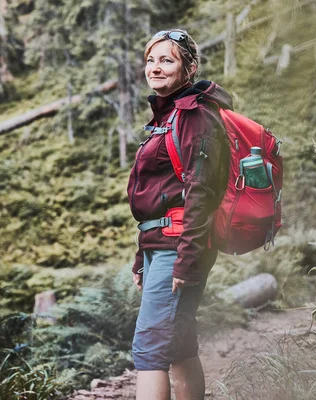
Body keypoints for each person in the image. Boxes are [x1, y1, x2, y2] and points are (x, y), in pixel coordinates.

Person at [127, 29, 233, 400]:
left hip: (180, 245)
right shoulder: (169, 114)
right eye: (151, 60)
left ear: (188, 68)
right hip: (165, 243)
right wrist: (144, 255)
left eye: (166, 60)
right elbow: (158, 197)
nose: (155, 68)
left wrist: (186, 261)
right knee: (178, 346)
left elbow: (200, 192)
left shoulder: (195, 116)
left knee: (149, 351)